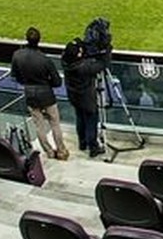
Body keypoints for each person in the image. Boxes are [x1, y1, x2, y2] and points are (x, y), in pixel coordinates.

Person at [10, 27, 68, 160]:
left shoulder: (17, 55)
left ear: (26, 39)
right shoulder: (45, 59)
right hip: (46, 93)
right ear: (39, 40)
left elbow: (15, 76)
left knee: (39, 125)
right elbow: (57, 82)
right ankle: (61, 151)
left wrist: (26, 82)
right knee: (55, 123)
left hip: (30, 93)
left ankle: (49, 152)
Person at [62, 38, 110, 158]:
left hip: (74, 96)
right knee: (91, 122)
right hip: (86, 98)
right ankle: (93, 147)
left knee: (80, 118)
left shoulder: (66, 61)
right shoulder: (83, 67)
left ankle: (82, 143)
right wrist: (107, 50)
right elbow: (102, 65)